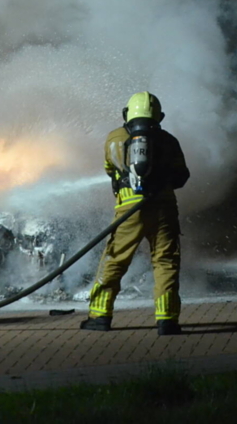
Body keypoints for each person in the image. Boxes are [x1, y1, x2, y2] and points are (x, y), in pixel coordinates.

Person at [80, 92, 190, 336]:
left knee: (115, 259)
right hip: (163, 210)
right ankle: (167, 320)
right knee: (165, 263)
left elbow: (110, 169)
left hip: (128, 211)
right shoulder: (169, 141)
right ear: (159, 116)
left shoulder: (114, 138)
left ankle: (99, 316)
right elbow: (182, 176)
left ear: (126, 114)